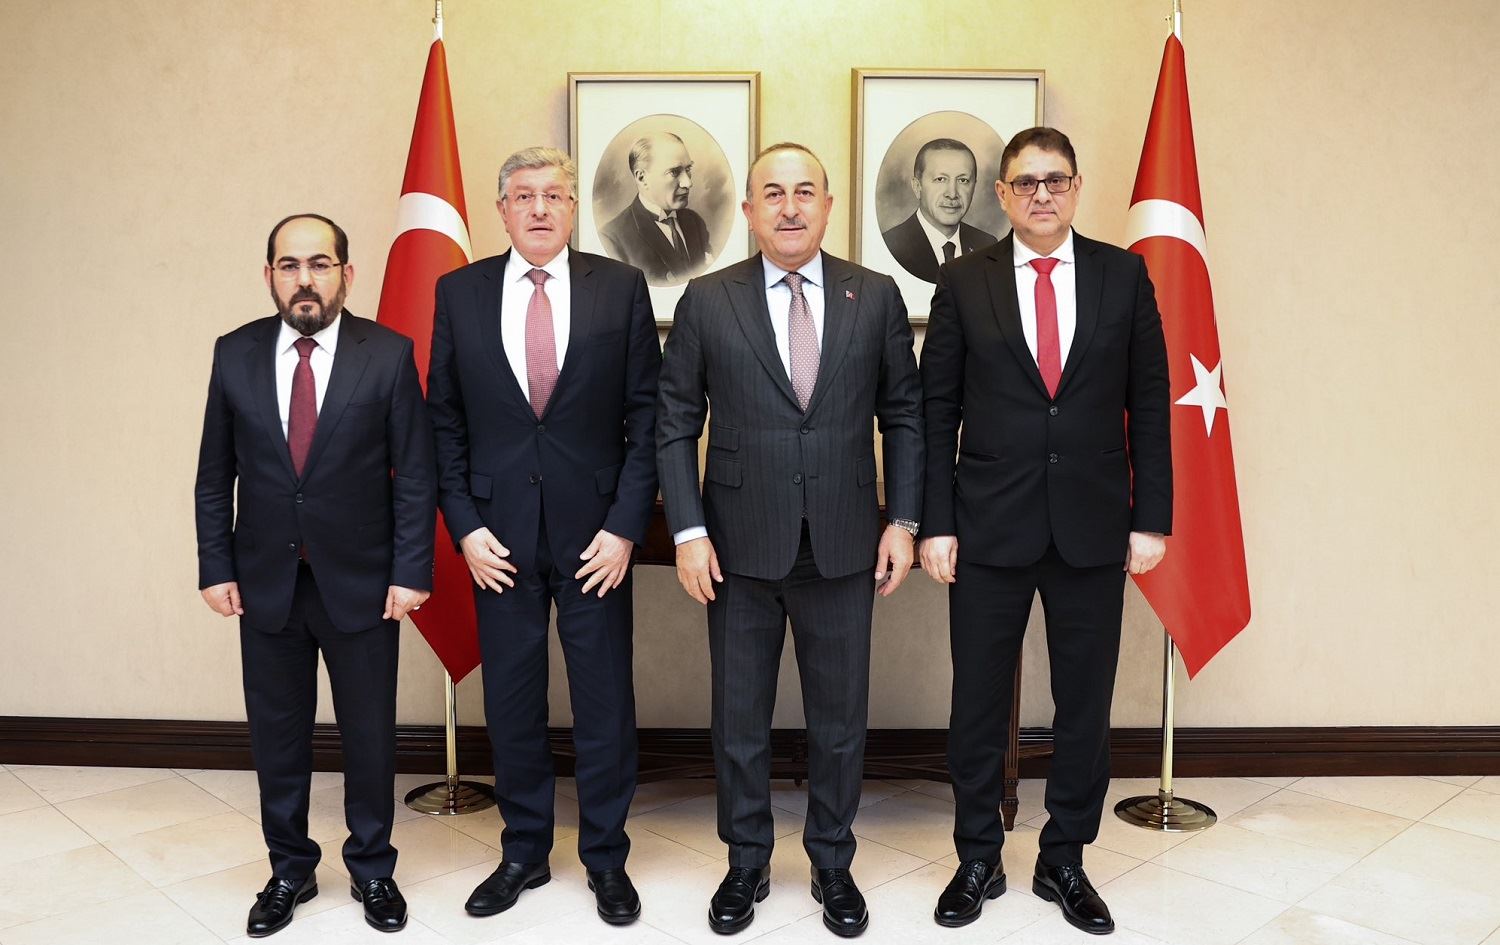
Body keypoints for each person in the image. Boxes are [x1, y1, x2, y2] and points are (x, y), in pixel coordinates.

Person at [657, 142, 924, 938]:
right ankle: (746, 861)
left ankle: (833, 861)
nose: (790, 206)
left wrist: (904, 522)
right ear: (748, 210)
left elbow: (904, 416)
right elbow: (674, 423)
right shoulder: (708, 299)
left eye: (805, 191)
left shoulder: (874, 296)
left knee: (839, 720)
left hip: (843, 540)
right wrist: (688, 531)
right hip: (736, 546)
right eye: (772, 193)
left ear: (829, 206)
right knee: (738, 719)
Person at [918, 127, 1172, 935]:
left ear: (1076, 187)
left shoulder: (1123, 275)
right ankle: (977, 856)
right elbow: (936, 410)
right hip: (987, 525)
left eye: (1054, 179)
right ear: (1002, 194)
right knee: (976, 704)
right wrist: (935, 523)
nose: (1040, 194)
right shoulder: (964, 280)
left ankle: (1064, 856)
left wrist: (1152, 517)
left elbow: (1151, 403)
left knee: (1084, 705)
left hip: (1093, 525)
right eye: (1024, 182)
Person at [426, 147, 659, 927]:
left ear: (572, 207)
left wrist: (625, 527)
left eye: (553, 195)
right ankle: (523, 849)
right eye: (523, 196)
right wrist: (464, 526)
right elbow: (443, 420)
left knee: (604, 702)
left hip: (597, 540)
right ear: (502, 209)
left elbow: (647, 418)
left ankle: (606, 856)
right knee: (512, 701)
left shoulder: (620, 287)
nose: (538, 208)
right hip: (497, 540)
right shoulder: (458, 292)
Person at [194, 213, 435, 937]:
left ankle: (373, 868)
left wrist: (411, 570)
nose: (305, 279)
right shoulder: (234, 352)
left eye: (320, 264)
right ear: (269, 275)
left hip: (364, 582)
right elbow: (214, 474)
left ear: (346, 274)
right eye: (290, 265)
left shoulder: (387, 353)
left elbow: (415, 474)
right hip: (264, 579)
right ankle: (289, 868)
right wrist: (215, 564)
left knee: (369, 735)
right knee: (277, 737)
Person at [600, 131, 713, 285]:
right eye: (674, 172)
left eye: (688, 169)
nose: (688, 183)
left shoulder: (694, 221)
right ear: (642, 178)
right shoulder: (612, 239)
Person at [881, 138, 997, 283]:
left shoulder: (987, 245)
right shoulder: (892, 245)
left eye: (963, 180)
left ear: (974, 186)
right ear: (917, 187)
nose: (952, 194)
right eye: (940, 179)